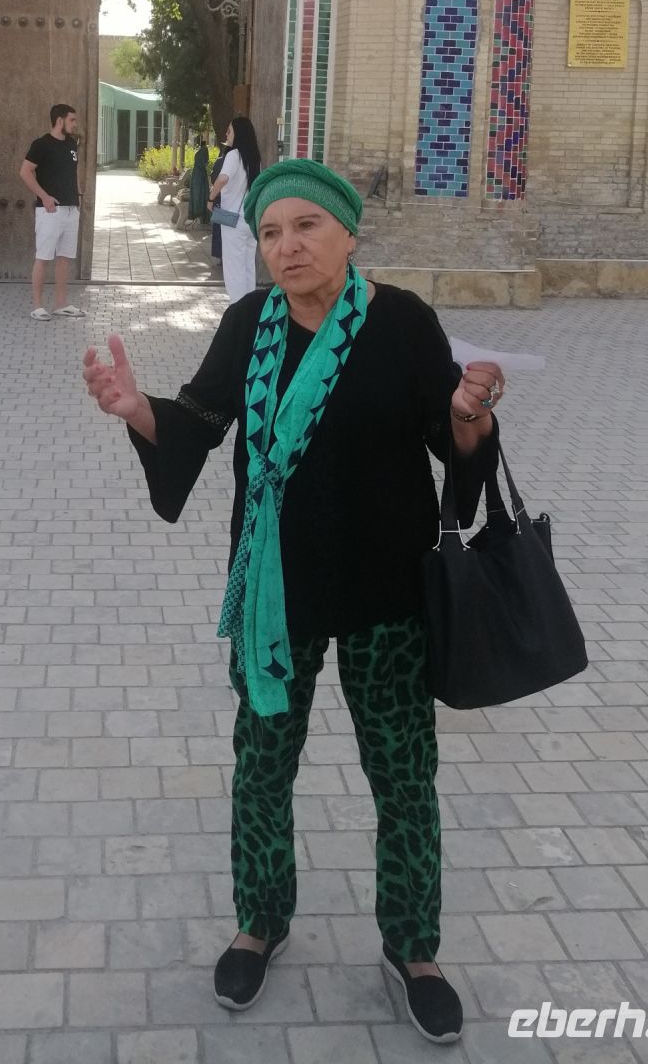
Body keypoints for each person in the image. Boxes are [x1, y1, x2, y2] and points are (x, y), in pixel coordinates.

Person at [83, 160, 506, 1046]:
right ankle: (261, 921)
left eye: (307, 226)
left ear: (349, 233)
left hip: (388, 596)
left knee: (403, 775)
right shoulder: (249, 323)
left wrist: (472, 411)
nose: (287, 247)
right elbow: (199, 422)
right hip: (277, 596)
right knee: (264, 764)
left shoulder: (402, 322)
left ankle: (414, 949)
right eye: (270, 233)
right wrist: (136, 410)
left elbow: (452, 440)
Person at [19, 103, 85, 321]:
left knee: (64, 258)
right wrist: (45, 197)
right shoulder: (41, 144)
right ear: (59, 120)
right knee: (43, 257)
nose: (75, 124)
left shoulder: (72, 144)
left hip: (71, 209)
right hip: (50, 211)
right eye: (72, 120)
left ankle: (60, 304)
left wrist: (78, 196)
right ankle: (38, 306)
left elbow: (74, 172)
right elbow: (25, 172)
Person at [208, 115, 261, 301]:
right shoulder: (254, 158)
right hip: (250, 220)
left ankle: (237, 308)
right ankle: (248, 309)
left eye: (229, 131)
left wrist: (211, 197)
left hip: (233, 221)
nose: (227, 134)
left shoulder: (233, 155)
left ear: (238, 134)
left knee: (234, 268)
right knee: (248, 266)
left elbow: (223, 178)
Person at [188, 133, 210, 224]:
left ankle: (196, 214)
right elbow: (205, 162)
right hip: (200, 175)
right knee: (201, 194)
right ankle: (200, 214)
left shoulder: (199, 151)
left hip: (196, 174)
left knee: (197, 194)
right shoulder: (204, 150)